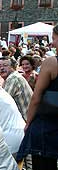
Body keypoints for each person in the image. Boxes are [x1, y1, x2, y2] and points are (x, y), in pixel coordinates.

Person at [17, 25, 58, 170]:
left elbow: (36, 97)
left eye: (54, 38)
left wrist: (28, 122)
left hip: (48, 124)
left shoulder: (52, 63)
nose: (52, 43)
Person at [0, 56, 33, 120]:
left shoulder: (13, 78)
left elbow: (2, 102)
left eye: (5, 65)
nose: (2, 68)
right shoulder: (12, 77)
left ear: (12, 67)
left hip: (25, 121)